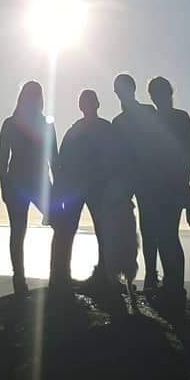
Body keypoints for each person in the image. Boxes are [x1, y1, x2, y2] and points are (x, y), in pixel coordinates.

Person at [49, 89, 113, 290]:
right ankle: (60, 276)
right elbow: (62, 162)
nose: (86, 106)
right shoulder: (82, 129)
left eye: (88, 102)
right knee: (68, 231)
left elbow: (62, 162)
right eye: (84, 102)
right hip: (80, 188)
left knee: (100, 232)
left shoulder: (97, 128)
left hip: (92, 187)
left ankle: (101, 274)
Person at [0, 81, 58, 295]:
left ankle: (28, 280)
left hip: (26, 183)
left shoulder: (14, 124)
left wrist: (4, 185)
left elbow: (54, 160)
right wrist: (4, 185)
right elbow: (2, 158)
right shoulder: (15, 124)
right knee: (21, 231)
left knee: (19, 232)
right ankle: (23, 280)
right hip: (30, 183)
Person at [145, 76, 190, 308]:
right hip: (159, 187)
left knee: (168, 237)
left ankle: (174, 287)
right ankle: (172, 286)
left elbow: (186, 157)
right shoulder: (162, 118)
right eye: (154, 93)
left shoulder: (179, 118)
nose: (157, 97)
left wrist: (183, 186)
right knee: (165, 237)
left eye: (159, 92)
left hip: (171, 186)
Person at [110, 73, 162, 291]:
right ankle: (132, 274)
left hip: (144, 176)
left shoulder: (145, 114)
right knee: (131, 226)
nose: (120, 94)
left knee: (147, 226)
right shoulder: (122, 120)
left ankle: (149, 275)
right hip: (133, 177)